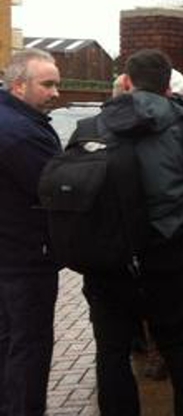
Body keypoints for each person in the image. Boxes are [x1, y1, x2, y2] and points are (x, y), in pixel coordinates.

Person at [81, 49, 183, 416]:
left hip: (108, 260)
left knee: (112, 351)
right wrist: (179, 231)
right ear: (168, 87)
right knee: (180, 346)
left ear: (126, 82)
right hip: (165, 256)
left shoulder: (92, 128)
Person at [0, 48, 61, 416]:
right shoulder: (21, 134)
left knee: (8, 342)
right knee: (29, 346)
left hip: (8, 255)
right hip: (25, 258)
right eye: (48, 84)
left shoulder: (12, 120)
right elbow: (54, 189)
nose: (56, 92)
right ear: (20, 86)